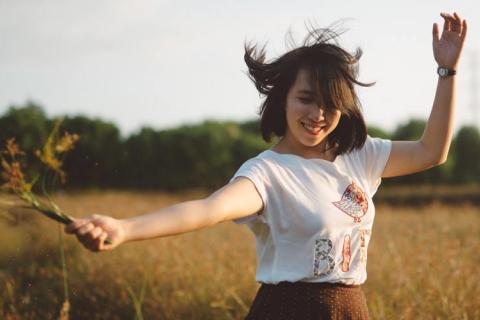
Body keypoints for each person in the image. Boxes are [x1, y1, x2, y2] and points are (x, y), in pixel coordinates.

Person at [66, 12, 467, 319]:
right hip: (288, 310)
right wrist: (125, 228)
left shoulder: (359, 155)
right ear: (284, 100)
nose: (318, 114)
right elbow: (209, 209)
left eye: (330, 103)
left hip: (351, 308)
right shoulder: (267, 173)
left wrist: (447, 72)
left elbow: (432, 151)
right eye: (306, 98)